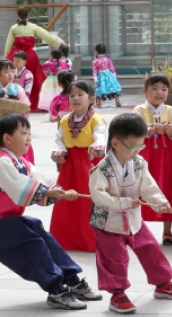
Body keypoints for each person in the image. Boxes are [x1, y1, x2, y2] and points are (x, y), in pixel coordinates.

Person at [0, 114, 102, 310]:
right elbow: (20, 187)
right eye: (23, 133)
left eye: (29, 133)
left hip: (8, 219)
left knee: (42, 234)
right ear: (7, 139)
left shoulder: (23, 163)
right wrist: (50, 191)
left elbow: (40, 180)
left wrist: (60, 191)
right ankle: (56, 290)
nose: (28, 138)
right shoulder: (0, 162)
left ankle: (72, 279)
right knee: (35, 246)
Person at [89, 113, 172, 314]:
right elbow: (98, 196)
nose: (137, 151)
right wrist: (122, 202)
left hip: (134, 219)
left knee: (150, 248)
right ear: (115, 142)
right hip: (107, 222)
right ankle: (117, 294)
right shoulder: (101, 169)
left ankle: (163, 284)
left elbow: (148, 187)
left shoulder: (139, 163)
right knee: (114, 257)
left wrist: (161, 203)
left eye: (140, 146)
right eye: (133, 146)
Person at [50, 80, 107, 252]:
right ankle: (65, 239)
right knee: (66, 200)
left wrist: (98, 147)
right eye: (72, 95)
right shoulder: (64, 120)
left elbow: (101, 136)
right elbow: (59, 139)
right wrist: (58, 151)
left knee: (88, 200)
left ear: (90, 99)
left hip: (88, 163)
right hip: (69, 165)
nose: (75, 98)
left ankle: (91, 240)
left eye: (80, 94)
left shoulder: (96, 119)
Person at [132, 72, 172, 245]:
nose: (159, 92)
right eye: (154, 88)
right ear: (146, 91)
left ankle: (167, 231)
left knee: (166, 189)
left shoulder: (171, 110)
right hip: (143, 158)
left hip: (166, 159)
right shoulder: (139, 110)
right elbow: (133, 129)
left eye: (163, 89)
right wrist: (153, 130)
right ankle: (137, 228)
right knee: (139, 190)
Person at [5, 7, 67, 112]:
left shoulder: (14, 28)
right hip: (30, 57)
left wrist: (7, 56)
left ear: (17, 16)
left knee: (16, 79)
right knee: (32, 78)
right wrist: (61, 42)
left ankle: (15, 101)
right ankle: (36, 103)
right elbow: (47, 36)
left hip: (16, 56)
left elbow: (8, 45)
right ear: (28, 15)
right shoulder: (33, 27)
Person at [0, 59, 34, 172]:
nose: (11, 74)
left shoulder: (18, 89)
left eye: (12, 71)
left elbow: (26, 105)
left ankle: (21, 168)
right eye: (6, 72)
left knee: (17, 144)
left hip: (15, 124)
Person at [92, 43, 122, 108]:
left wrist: (95, 79)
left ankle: (99, 103)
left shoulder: (95, 61)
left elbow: (95, 71)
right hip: (108, 74)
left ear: (96, 51)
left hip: (101, 75)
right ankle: (117, 98)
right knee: (113, 87)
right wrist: (114, 76)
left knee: (99, 89)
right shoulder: (108, 59)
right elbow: (112, 68)